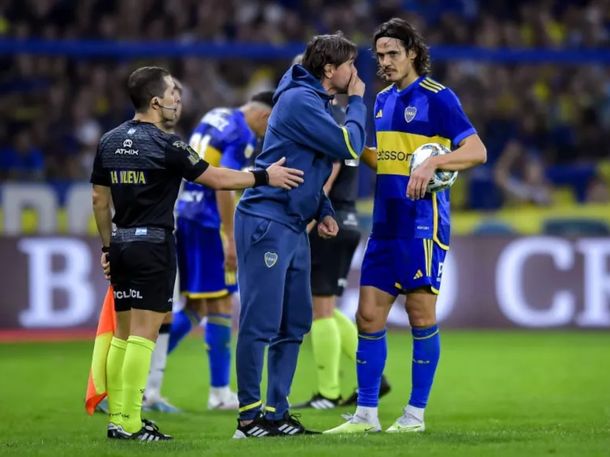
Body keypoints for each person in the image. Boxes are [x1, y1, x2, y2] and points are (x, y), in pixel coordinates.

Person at [90, 66, 304, 441]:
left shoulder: (109, 140)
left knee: (122, 336)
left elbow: (98, 199)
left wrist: (108, 246)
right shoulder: (168, 145)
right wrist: (264, 176)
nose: (178, 98)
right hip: (153, 245)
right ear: (155, 102)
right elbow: (216, 178)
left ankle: (118, 420)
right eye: (172, 92)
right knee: (143, 336)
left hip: (121, 242)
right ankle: (132, 422)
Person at [325, 18, 486, 434]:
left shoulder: (438, 97)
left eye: (393, 53)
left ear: (413, 52)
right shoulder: (381, 100)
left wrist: (435, 162)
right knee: (367, 316)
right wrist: (348, 144)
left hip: (422, 224)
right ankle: (366, 415)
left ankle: (414, 415)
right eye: (380, 55)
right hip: (385, 223)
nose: (385, 61)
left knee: (419, 313)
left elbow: (476, 151)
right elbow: (388, 160)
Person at [232, 33, 367, 439]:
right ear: (329, 69)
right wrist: (357, 101)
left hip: (293, 223)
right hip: (267, 219)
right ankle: (248, 418)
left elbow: (305, 166)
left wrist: (322, 209)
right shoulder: (299, 101)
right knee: (260, 321)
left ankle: (276, 413)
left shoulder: (312, 101)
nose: (355, 72)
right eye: (350, 65)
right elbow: (350, 146)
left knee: (295, 322)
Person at [165, 91, 275, 411]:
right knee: (222, 303)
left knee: (199, 306)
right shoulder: (242, 133)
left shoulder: (216, 115)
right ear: (264, 116)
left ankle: (146, 377)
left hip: (188, 212)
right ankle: (219, 393)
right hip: (209, 222)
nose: (265, 134)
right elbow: (224, 185)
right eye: (269, 126)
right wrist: (229, 235)